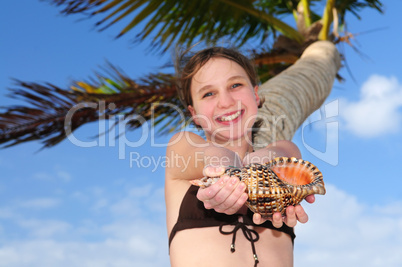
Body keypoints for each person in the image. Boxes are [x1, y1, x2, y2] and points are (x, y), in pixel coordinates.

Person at [165, 47, 315, 267]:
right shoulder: (182, 145)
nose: (225, 101)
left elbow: (284, 154)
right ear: (193, 114)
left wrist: (257, 167)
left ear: (255, 94)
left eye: (235, 85)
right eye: (208, 93)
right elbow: (208, 155)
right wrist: (229, 169)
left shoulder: (283, 151)